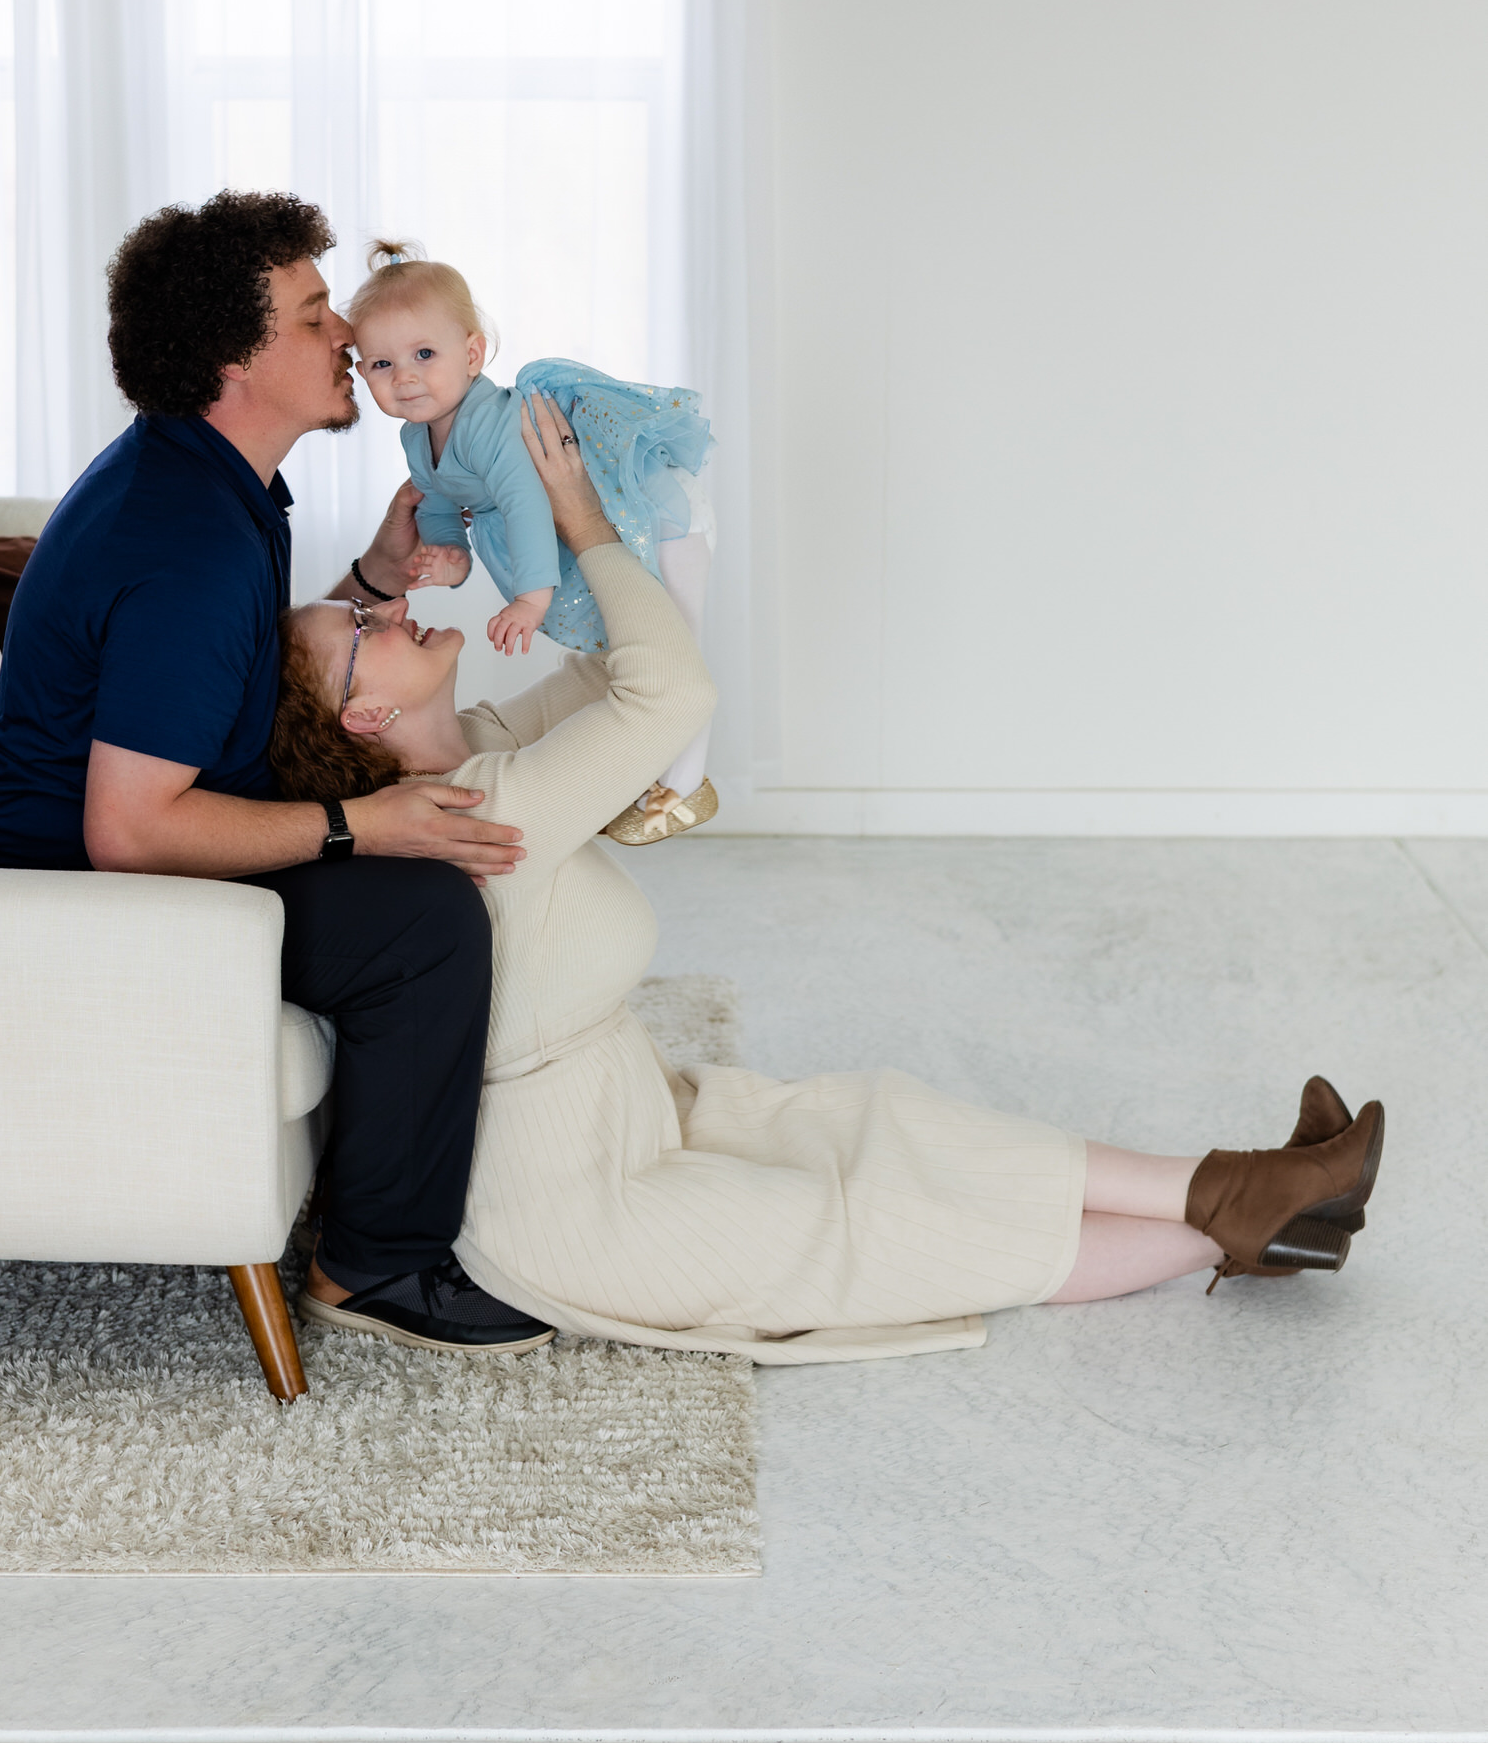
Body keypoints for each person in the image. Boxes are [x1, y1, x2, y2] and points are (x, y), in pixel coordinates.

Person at [274, 394, 1384, 1359]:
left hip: (628, 1112)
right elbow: (667, 697)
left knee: (880, 1124)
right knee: (871, 1228)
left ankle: (1235, 1182)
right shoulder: (484, 808)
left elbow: (619, 667)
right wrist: (588, 525)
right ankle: (1250, 1218)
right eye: (361, 622)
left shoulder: (474, 750)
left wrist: (549, 538)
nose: (386, 601)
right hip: (574, 1208)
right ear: (366, 713)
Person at [0, 189, 554, 1355]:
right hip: (70, 895)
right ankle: (377, 1264)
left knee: (421, 837)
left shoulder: (208, 483)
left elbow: (220, 676)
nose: (347, 338)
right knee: (422, 920)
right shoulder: (185, 540)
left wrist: (371, 583)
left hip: (109, 845)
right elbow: (130, 829)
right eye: (315, 314)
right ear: (235, 357)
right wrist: (357, 824)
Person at [347, 239, 718, 844]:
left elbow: (524, 505)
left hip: (656, 506)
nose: (406, 377)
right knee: (628, 649)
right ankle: (652, 777)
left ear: (473, 354)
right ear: (363, 372)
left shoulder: (491, 423)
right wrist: (451, 556)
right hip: (589, 521)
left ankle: (682, 785)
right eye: (382, 365)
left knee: (677, 638)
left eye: (423, 354)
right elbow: (440, 502)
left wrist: (531, 597)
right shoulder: (419, 438)